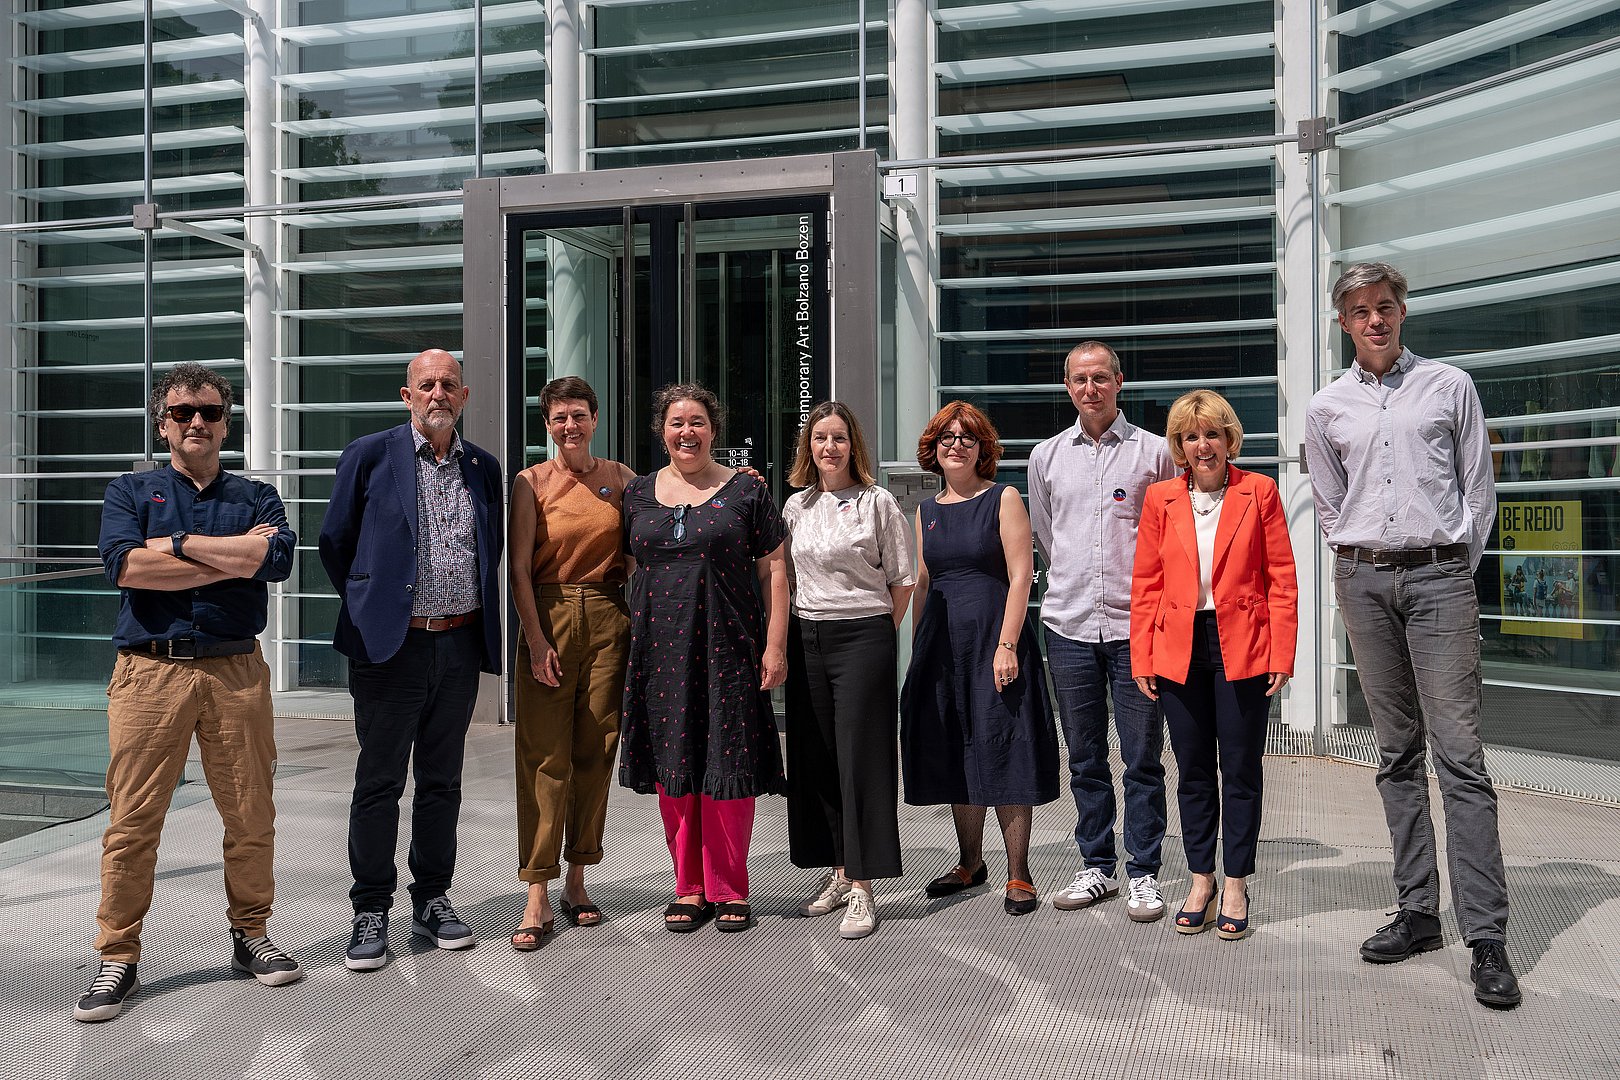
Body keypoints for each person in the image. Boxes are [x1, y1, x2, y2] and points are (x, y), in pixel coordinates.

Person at [1305, 261, 1519, 1008]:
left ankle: (1486, 933)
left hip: (1439, 581)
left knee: (1460, 756)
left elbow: (1477, 492)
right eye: (1360, 310)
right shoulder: (1326, 405)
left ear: (1403, 312)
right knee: (1396, 754)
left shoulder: (1450, 386)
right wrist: (1366, 561)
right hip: (1363, 582)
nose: (1375, 319)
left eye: (1386, 306)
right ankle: (1420, 911)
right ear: (1343, 320)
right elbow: (1331, 505)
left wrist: (1451, 567)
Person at [80, 363, 300, 1022]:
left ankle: (252, 936)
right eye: (183, 413)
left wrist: (176, 544)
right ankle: (118, 954)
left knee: (251, 814)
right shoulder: (129, 490)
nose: (196, 423)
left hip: (235, 671)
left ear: (226, 422)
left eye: (209, 411)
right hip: (150, 673)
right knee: (132, 822)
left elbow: (278, 561)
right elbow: (128, 567)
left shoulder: (257, 496)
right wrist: (234, 554)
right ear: (163, 422)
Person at [319, 348, 504, 971]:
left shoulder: (484, 467)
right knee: (379, 782)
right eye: (426, 384)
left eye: (449, 384)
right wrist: (375, 603)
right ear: (407, 395)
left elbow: (491, 547)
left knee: (443, 781)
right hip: (388, 649)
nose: (437, 394)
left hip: (456, 643)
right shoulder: (369, 455)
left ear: (465, 395)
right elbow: (335, 542)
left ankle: (432, 898)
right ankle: (371, 908)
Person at [618, 384, 789, 933]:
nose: (686, 432)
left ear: (714, 430)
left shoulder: (746, 492)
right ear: (661, 431)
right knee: (676, 768)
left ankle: (729, 888)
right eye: (676, 423)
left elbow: (775, 571)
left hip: (728, 648)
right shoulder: (639, 494)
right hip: (661, 650)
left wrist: (775, 644)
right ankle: (688, 885)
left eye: (697, 422)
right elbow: (627, 568)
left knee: (726, 763)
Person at [1130, 391, 1297, 940]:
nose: (1203, 446)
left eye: (1212, 434)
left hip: (1242, 644)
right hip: (1179, 646)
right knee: (1194, 770)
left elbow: (1281, 579)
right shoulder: (1161, 499)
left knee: (1242, 770)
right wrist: (1142, 654)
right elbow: (1147, 582)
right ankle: (1200, 879)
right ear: (1179, 446)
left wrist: (1282, 651)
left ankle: (1235, 882)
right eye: (1190, 437)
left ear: (1229, 439)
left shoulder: (1260, 492)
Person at [1029, 340, 1178, 920]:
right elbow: (1047, 534)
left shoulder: (1156, 454)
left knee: (1142, 756)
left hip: (1135, 627)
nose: (1089, 388)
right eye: (1078, 380)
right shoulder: (1046, 457)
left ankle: (1144, 871)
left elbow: (1170, 536)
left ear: (1120, 381)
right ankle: (1097, 866)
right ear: (1068, 387)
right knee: (1085, 756)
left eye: (1100, 378)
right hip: (1068, 624)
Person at [901, 401, 1059, 917]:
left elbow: (1021, 575)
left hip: (995, 638)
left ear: (983, 447)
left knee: (1005, 748)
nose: (956, 444)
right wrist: (909, 647)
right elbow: (923, 582)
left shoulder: (1004, 498)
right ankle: (971, 863)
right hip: (943, 647)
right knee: (955, 748)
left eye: (967, 437)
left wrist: (1008, 644)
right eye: (947, 437)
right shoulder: (926, 511)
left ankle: (1019, 871)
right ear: (933, 447)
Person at [506, 377, 638, 949]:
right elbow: (517, 569)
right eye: (559, 417)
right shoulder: (530, 483)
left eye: (579, 415)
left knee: (596, 747)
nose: (570, 426)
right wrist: (535, 641)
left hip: (609, 616)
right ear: (547, 425)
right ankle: (537, 885)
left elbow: (649, 542)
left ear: (596, 417)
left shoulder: (623, 480)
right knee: (543, 753)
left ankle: (580, 877)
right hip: (550, 612)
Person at [782, 401, 915, 940]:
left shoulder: (876, 502)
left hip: (862, 635)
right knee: (818, 757)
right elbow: (784, 576)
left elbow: (902, 580)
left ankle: (863, 885)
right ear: (807, 447)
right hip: (805, 635)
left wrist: (880, 634)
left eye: (838, 438)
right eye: (819, 439)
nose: (828, 448)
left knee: (861, 759)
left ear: (852, 445)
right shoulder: (796, 506)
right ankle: (838, 868)